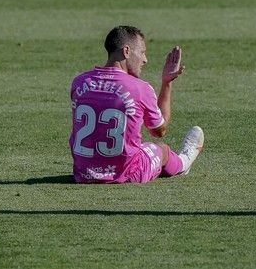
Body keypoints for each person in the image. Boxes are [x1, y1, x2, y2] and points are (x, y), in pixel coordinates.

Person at [69, 25, 204, 184]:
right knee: (161, 149)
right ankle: (183, 162)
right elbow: (159, 130)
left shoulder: (79, 82)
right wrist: (166, 83)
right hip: (128, 174)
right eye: (142, 52)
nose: (145, 59)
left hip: (84, 174)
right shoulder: (139, 88)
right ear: (126, 51)